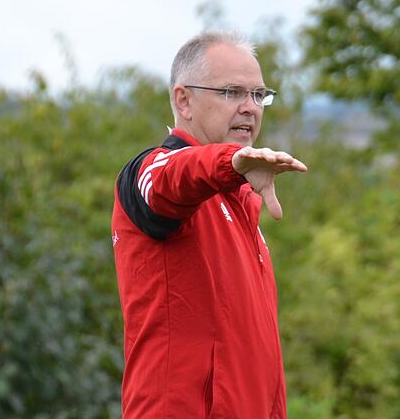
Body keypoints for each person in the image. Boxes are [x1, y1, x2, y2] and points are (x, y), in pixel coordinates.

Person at [111, 31, 307, 418]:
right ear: (183, 100)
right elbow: (172, 176)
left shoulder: (240, 202)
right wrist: (229, 164)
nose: (250, 108)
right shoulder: (154, 172)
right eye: (232, 92)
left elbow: (256, 361)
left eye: (258, 95)